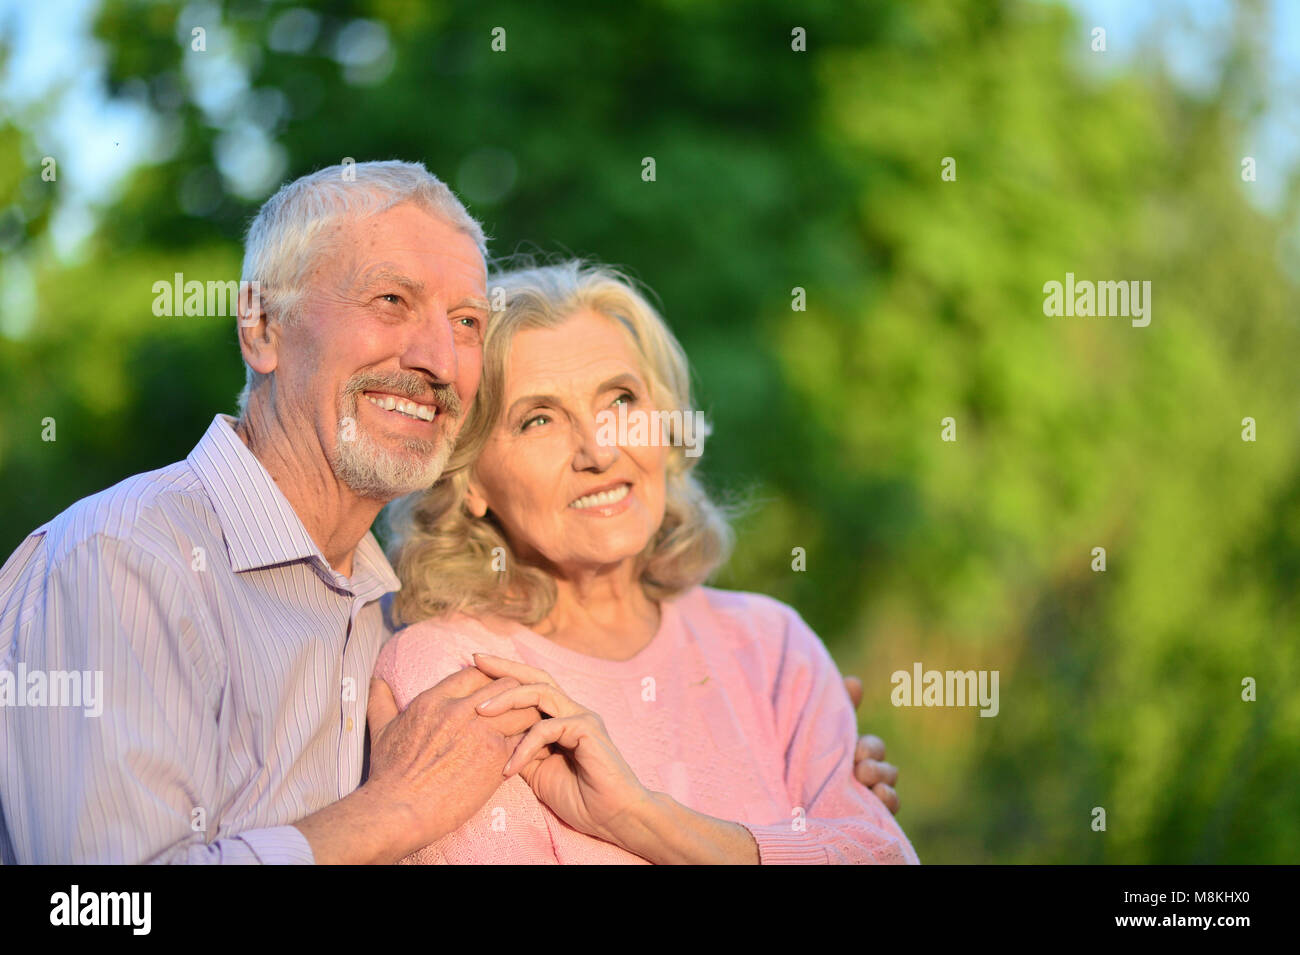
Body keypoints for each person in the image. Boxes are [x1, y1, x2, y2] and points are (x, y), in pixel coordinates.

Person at [0, 161, 897, 864]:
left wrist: (789, 809)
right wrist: (388, 814)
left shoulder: (384, 611)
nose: (435, 356)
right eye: (391, 300)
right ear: (262, 326)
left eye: (465, 321)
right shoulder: (120, 560)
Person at [377, 260, 917, 863]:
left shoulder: (771, 644)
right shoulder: (451, 669)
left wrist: (638, 817)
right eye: (539, 419)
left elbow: (883, 854)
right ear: (470, 480)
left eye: (621, 400)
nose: (599, 451)